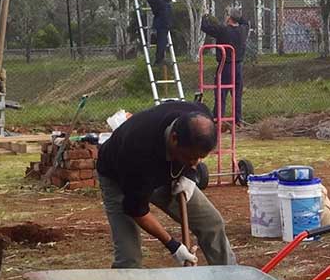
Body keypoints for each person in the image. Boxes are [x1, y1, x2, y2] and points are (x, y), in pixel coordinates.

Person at [96, 102, 234, 268]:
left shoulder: (200, 117)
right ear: (174, 139)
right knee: (129, 258)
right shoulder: (138, 151)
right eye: (190, 158)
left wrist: (189, 175)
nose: (195, 163)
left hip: (167, 170)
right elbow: (136, 210)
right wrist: (173, 246)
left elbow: (192, 158)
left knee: (212, 224)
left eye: (199, 158)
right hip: (118, 177)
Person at [201, 10, 248, 126]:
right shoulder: (243, 30)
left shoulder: (223, 30)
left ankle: (218, 120)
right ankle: (238, 120)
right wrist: (237, 15)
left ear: (229, 18)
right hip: (238, 67)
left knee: (221, 94)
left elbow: (206, 28)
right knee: (237, 95)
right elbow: (245, 22)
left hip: (225, 66)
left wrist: (205, 16)